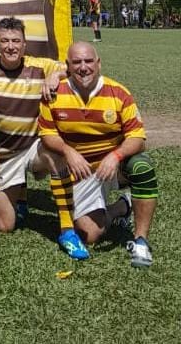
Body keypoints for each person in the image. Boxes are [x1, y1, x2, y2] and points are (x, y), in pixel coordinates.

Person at [0, 18, 88, 259]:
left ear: (25, 45)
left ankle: (68, 229)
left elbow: (73, 67)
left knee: (55, 151)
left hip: (30, 149)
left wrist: (56, 75)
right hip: (1, 156)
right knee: (5, 226)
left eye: (16, 41)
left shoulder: (39, 67)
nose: (10, 47)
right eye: (5, 41)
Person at [38, 42, 158, 268]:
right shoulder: (53, 94)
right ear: (67, 66)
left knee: (142, 166)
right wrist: (67, 150)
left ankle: (141, 241)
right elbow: (47, 135)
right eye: (76, 62)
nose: (83, 67)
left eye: (89, 61)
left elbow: (137, 138)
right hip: (80, 171)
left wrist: (116, 155)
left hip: (112, 168)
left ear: (99, 63)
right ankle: (122, 207)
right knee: (89, 235)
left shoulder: (119, 93)